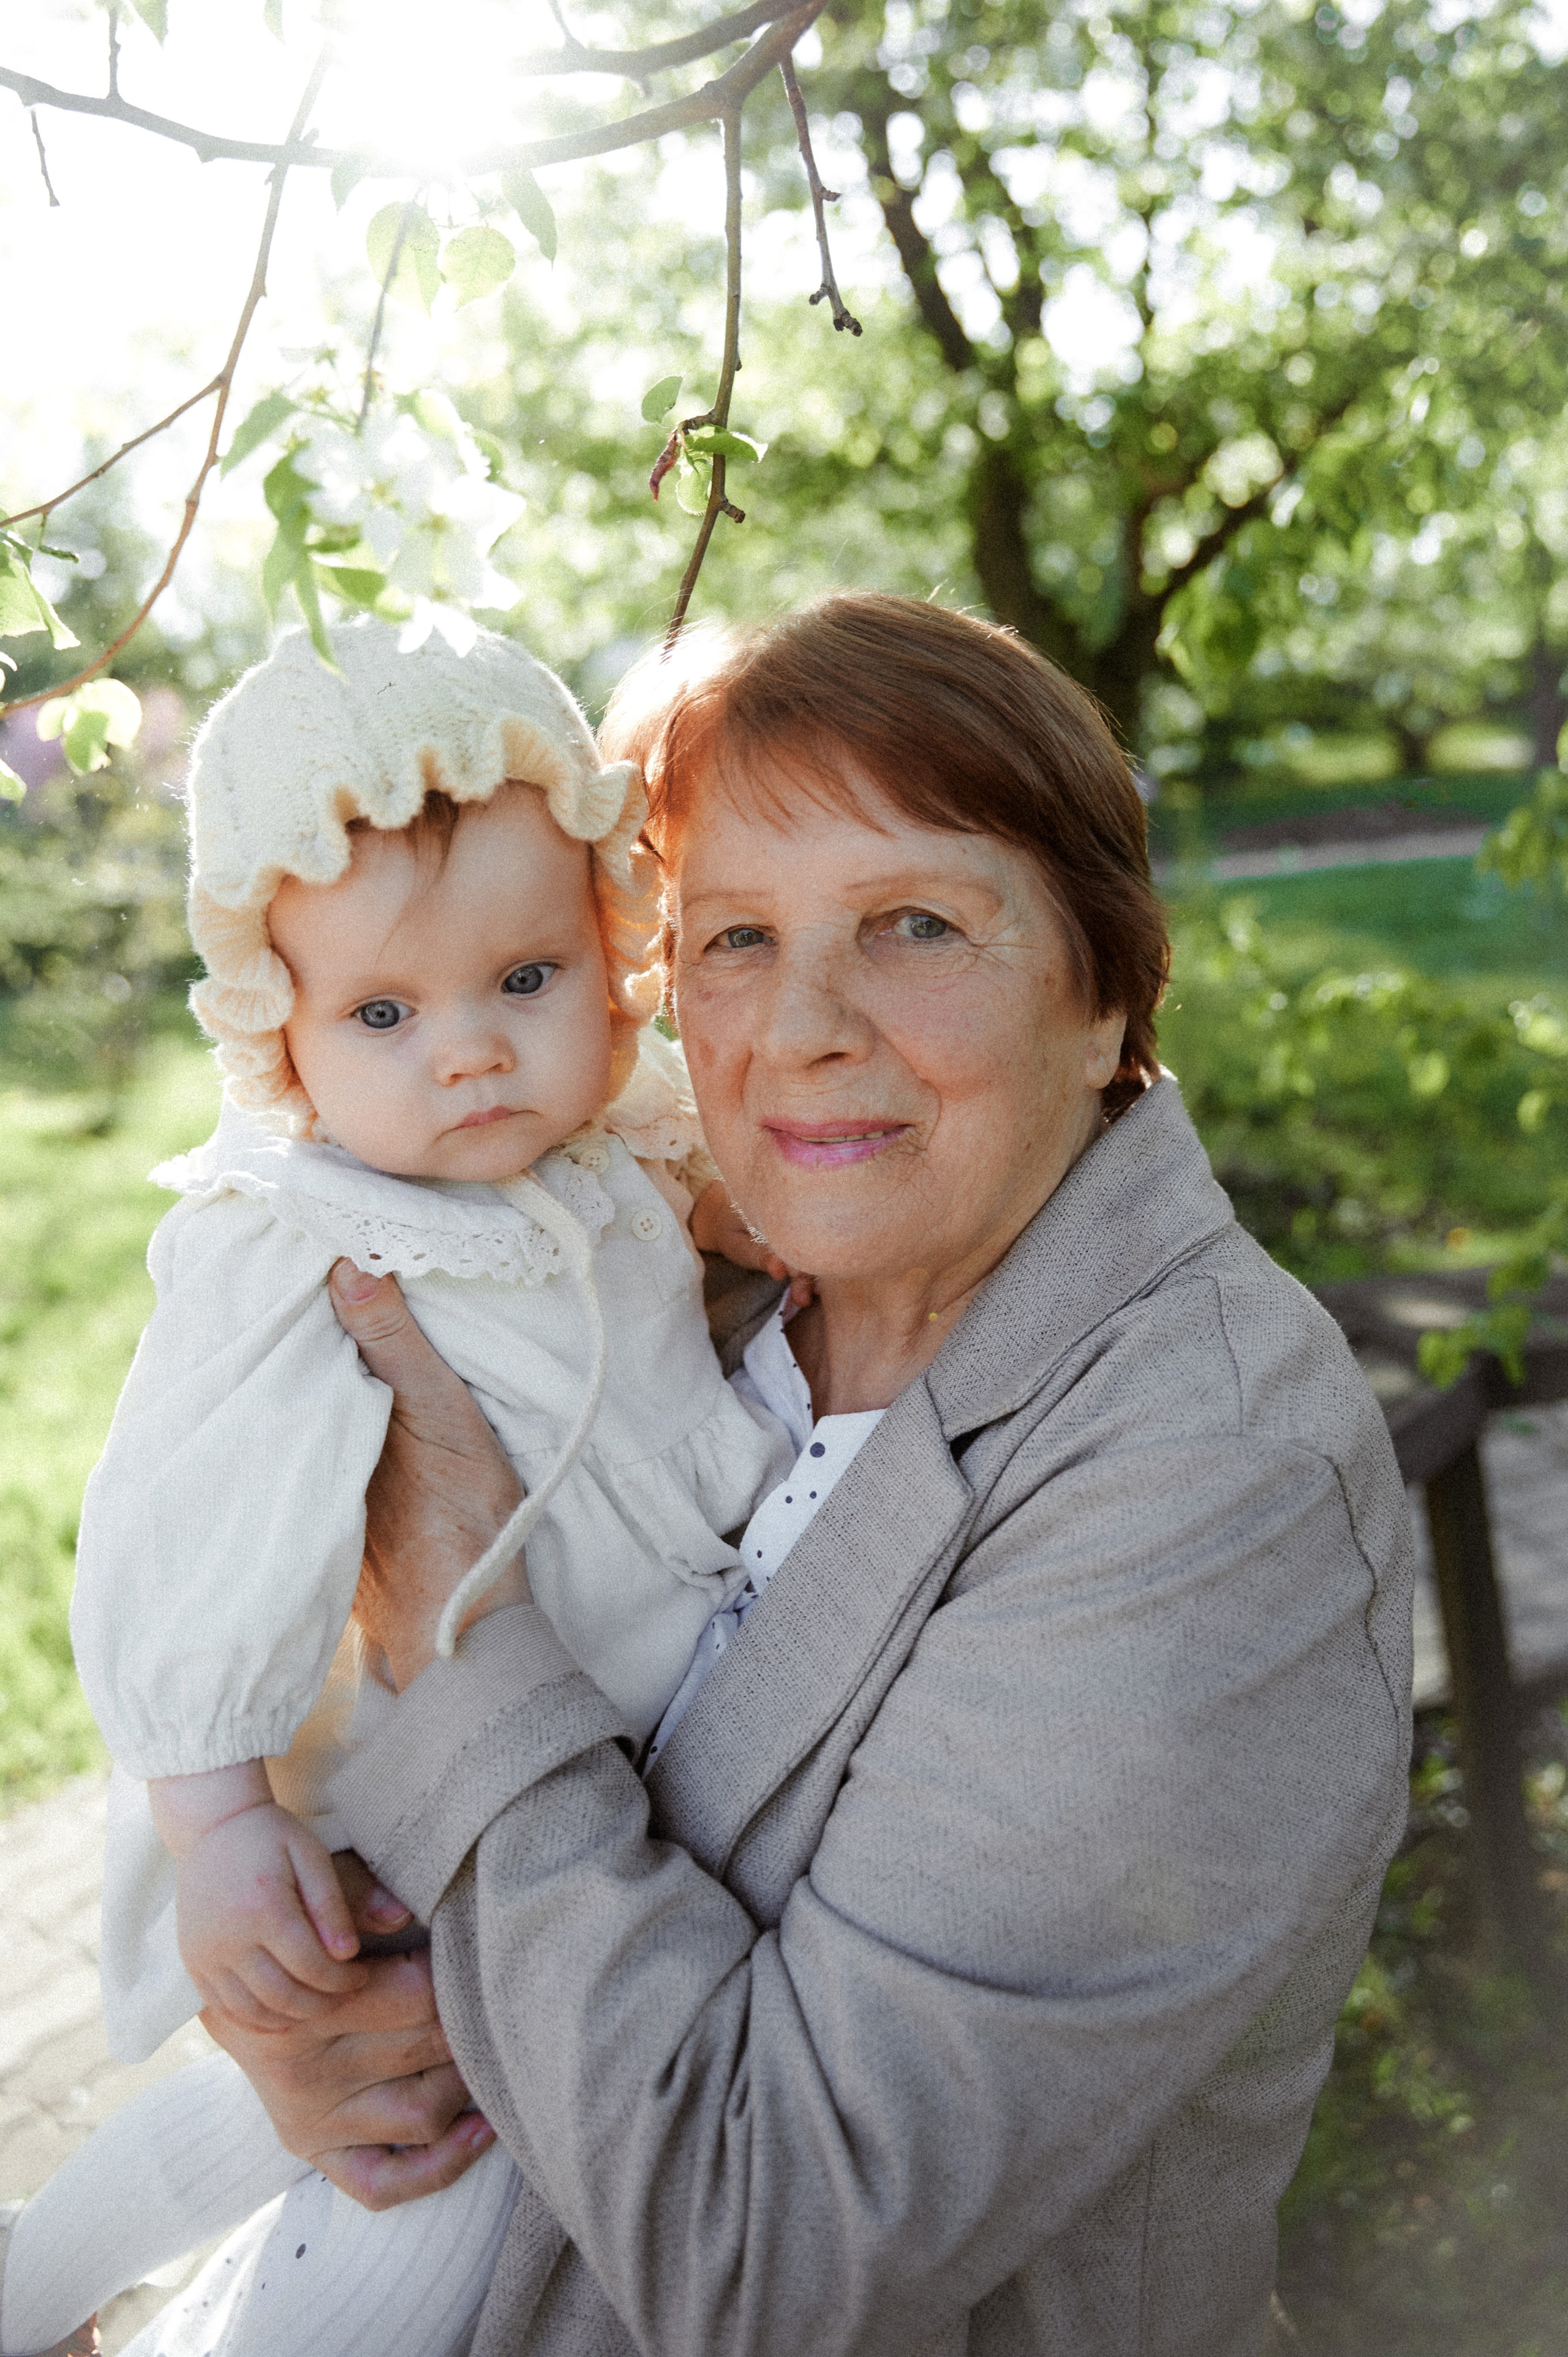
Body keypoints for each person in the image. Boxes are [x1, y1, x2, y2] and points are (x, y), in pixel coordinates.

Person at [144, 595, 1413, 2357]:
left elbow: (774, 2250)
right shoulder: (676, 1298)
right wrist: (333, 2036)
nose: (803, 1025)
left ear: (1108, 988)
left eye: (914, 924)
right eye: (736, 936)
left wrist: (450, 1615)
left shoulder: (1214, 1469)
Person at [0, 622, 797, 2357]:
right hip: (406, 1797)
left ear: (612, 951)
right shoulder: (300, 1237)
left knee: (350, 2124)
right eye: (383, 1012)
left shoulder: (624, 1145)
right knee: (397, 2132)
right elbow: (181, 1527)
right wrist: (219, 1827)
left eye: (526, 979)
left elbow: (738, 1247)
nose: (471, 1053)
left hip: (591, 1767)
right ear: (279, 1034)